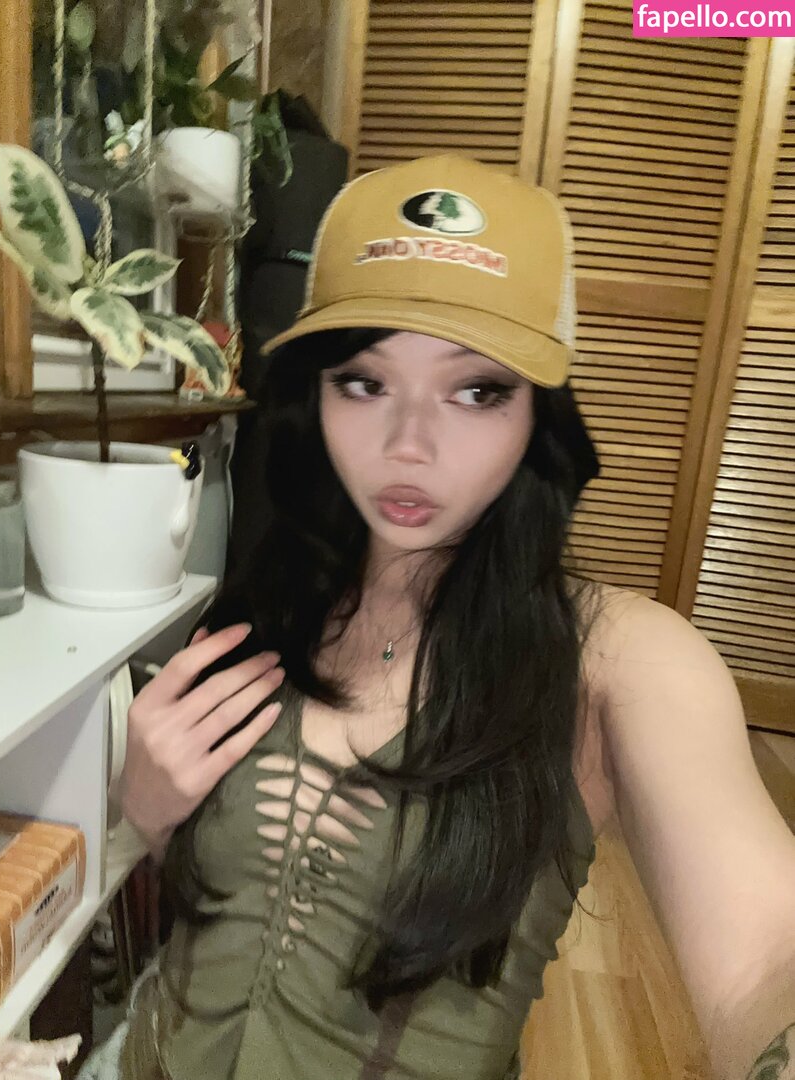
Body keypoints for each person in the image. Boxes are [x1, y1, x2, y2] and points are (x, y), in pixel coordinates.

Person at [98, 155, 794, 1080]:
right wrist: (143, 813)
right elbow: (204, 909)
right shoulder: (269, 600)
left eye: (476, 391)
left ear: (537, 414)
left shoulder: (616, 661)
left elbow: (763, 955)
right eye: (364, 381)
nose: (408, 446)